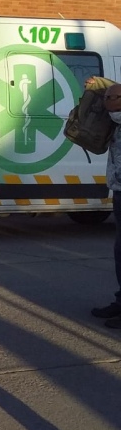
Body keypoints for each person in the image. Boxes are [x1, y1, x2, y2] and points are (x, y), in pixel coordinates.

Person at [92, 82, 121, 329]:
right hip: (119, 189)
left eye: (112, 97)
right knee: (119, 250)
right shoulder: (115, 120)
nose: (106, 100)